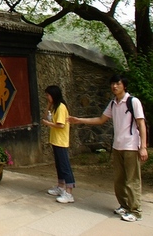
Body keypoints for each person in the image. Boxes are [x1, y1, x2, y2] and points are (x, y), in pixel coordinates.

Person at [68, 74, 148, 222]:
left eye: (117, 83)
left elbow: (141, 124)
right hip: (117, 146)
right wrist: (79, 120)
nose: (114, 86)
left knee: (132, 180)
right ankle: (124, 205)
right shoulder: (113, 104)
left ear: (124, 85)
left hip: (131, 146)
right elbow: (100, 119)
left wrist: (143, 147)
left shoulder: (133, 102)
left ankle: (135, 211)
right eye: (112, 84)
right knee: (119, 179)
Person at [42, 85, 75, 204]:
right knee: (59, 165)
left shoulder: (61, 107)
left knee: (65, 166)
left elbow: (60, 125)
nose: (47, 97)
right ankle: (60, 186)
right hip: (55, 140)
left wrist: (49, 124)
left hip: (61, 140)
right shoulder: (55, 107)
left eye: (48, 95)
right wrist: (48, 105)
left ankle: (69, 191)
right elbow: (45, 117)